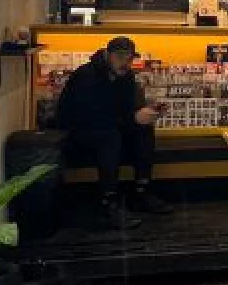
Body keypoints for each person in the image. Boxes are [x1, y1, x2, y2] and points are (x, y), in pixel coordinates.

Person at [56, 36, 172, 229]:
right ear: (107, 55)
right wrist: (132, 119)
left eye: (129, 58)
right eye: (120, 57)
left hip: (109, 126)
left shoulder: (126, 76)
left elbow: (127, 110)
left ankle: (141, 191)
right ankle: (108, 203)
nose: (125, 62)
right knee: (109, 137)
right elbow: (87, 117)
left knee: (143, 130)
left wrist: (146, 112)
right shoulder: (86, 76)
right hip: (78, 131)